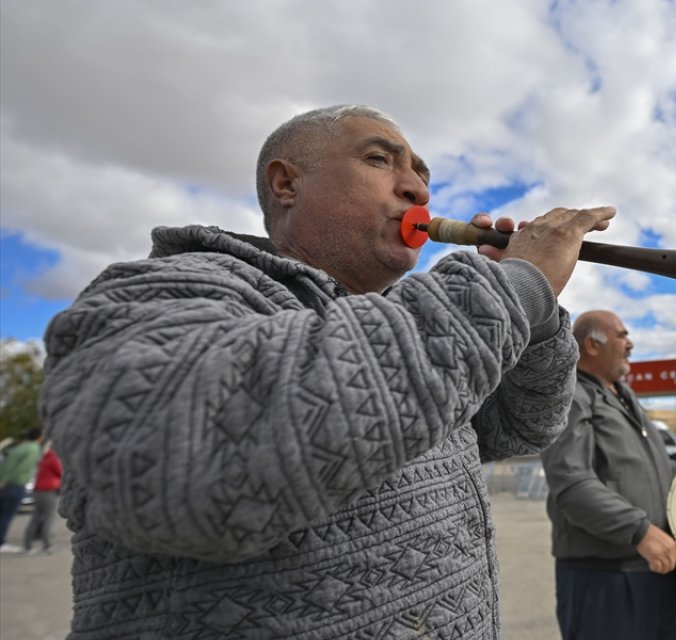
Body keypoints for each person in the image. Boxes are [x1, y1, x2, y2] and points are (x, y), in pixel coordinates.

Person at [37, 104, 615, 639]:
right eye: (378, 159)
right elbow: (189, 463)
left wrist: (531, 315)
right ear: (286, 183)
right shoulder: (164, 288)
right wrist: (507, 291)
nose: (416, 186)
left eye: (421, 174)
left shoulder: (404, 324)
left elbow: (521, 426)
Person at [539, 310, 676, 640]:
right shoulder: (570, 396)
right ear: (592, 346)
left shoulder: (625, 397)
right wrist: (638, 530)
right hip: (603, 579)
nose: (631, 344)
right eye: (622, 336)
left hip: (658, 570)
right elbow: (571, 483)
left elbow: (655, 470)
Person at [0, 428, 42, 554]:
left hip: (5, 485)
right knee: (6, 516)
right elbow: (21, 469)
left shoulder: (18, 448)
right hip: (16, 484)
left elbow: (7, 466)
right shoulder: (34, 448)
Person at [22, 443, 62, 555]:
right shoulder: (53, 458)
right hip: (49, 491)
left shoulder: (43, 459)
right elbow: (60, 472)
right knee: (48, 519)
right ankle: (47, 545)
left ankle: (27, 546)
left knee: (35, 518)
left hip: (38, 491)